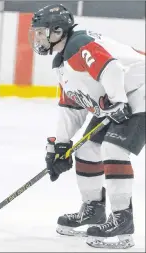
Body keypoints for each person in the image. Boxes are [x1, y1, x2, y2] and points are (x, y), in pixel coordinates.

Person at [29, 4, 145, 249]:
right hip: (122, 97)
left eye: (42, 32)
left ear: (58, 31)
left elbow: (111, 68)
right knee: (86, 151)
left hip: (139, 90)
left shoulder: (78, 44)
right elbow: (71, 107)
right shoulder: (63, 63)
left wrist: (118, 101)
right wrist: (61, 144)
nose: (37, 38)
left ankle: (122, 220)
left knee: (112, 149)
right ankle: (93, 210)